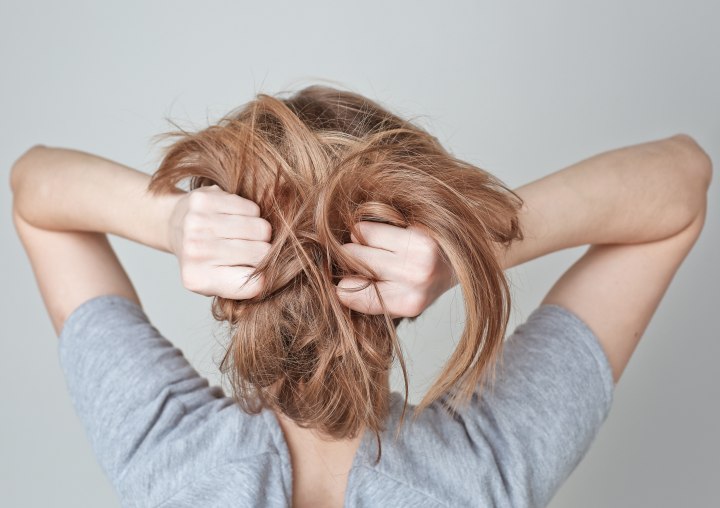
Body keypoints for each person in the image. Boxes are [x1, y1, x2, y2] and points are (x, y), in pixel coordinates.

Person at [10, 85, 711, 508]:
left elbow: (34, 190)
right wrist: (467, 244)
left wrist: (167, 221)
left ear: (231, 279)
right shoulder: (487, 465)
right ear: (405, 272)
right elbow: (682, 181)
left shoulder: (166, 450)